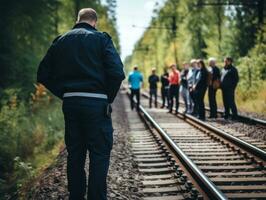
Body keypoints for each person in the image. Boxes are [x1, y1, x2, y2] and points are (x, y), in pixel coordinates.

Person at [37, 8, 125, 200]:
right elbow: (117, 73)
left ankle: (75, 196)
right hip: (97, 105)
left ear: (78, 20)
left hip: (71, 104)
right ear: (95, 22)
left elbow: (42, 74)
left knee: (75, 153)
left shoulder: (61, 40)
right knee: (99, 154)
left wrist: (65, 93)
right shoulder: (102, 39)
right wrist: (107, 97)